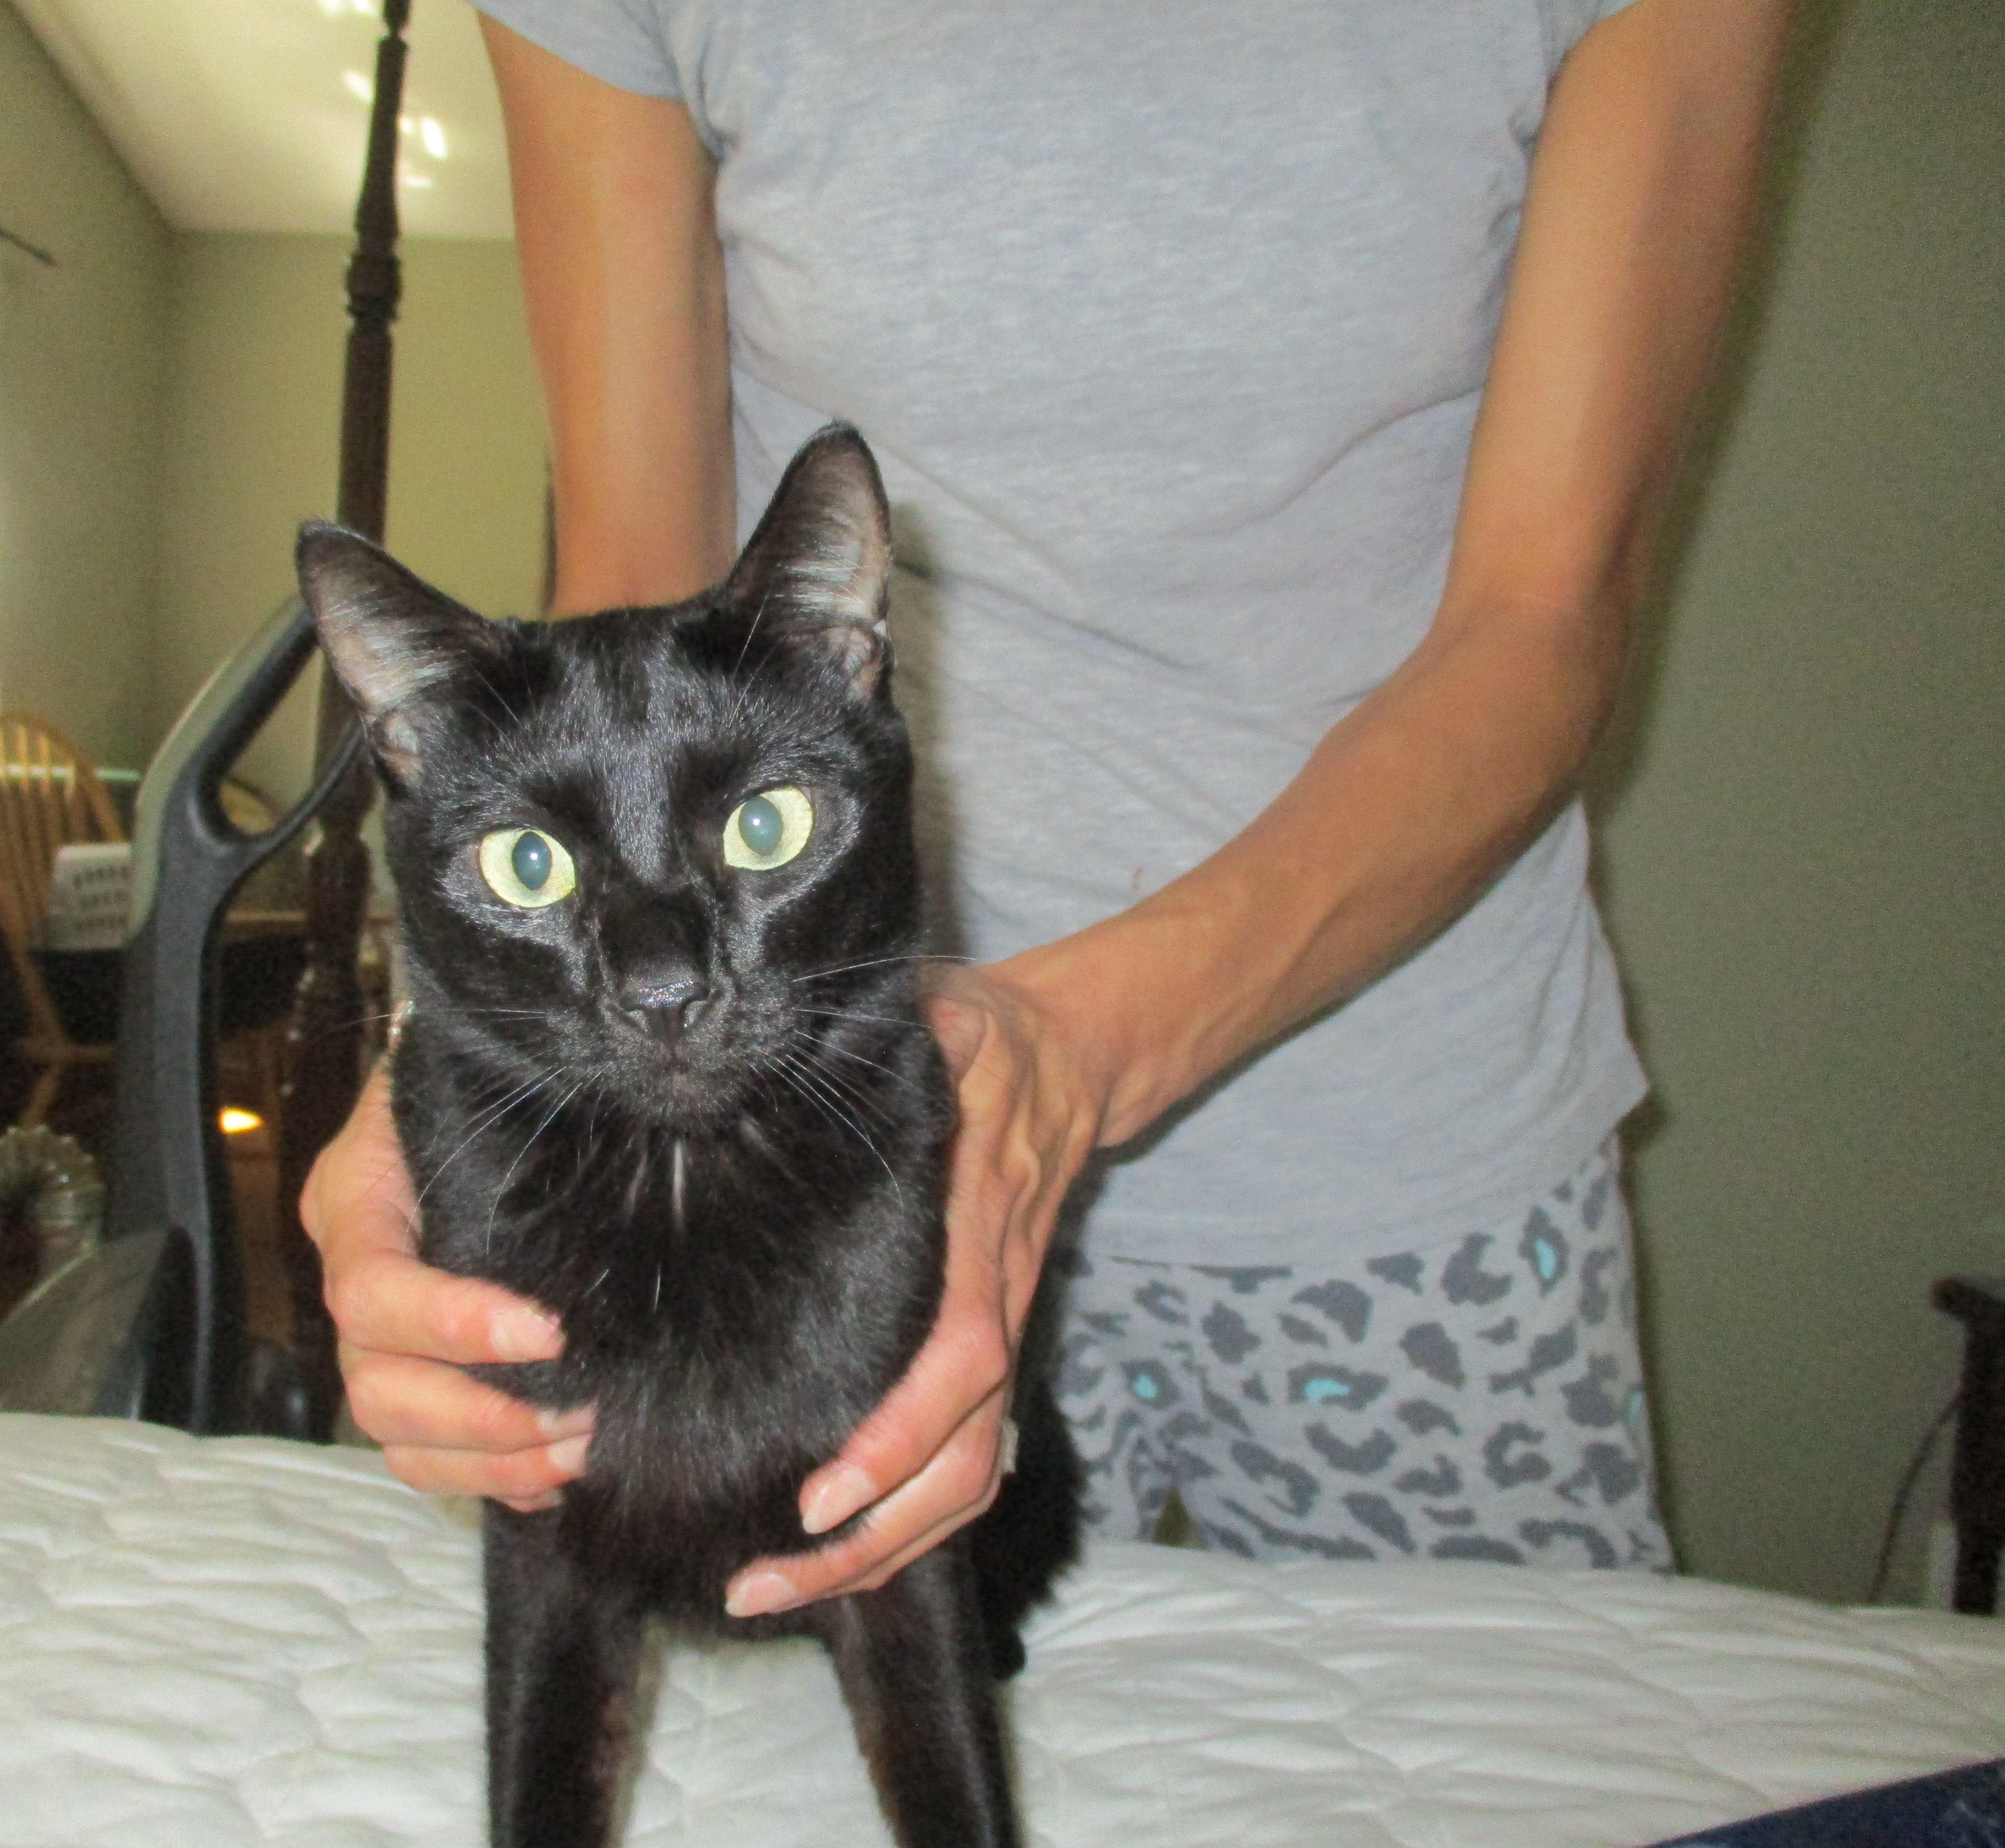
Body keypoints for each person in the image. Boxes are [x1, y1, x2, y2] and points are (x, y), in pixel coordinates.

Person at [302, 0, 1793, 1616]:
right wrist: (469, 1060)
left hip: (1393, 1138)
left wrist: (1063, 1058)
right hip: (805, 1155)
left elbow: (1541, 624)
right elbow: (638, 619)